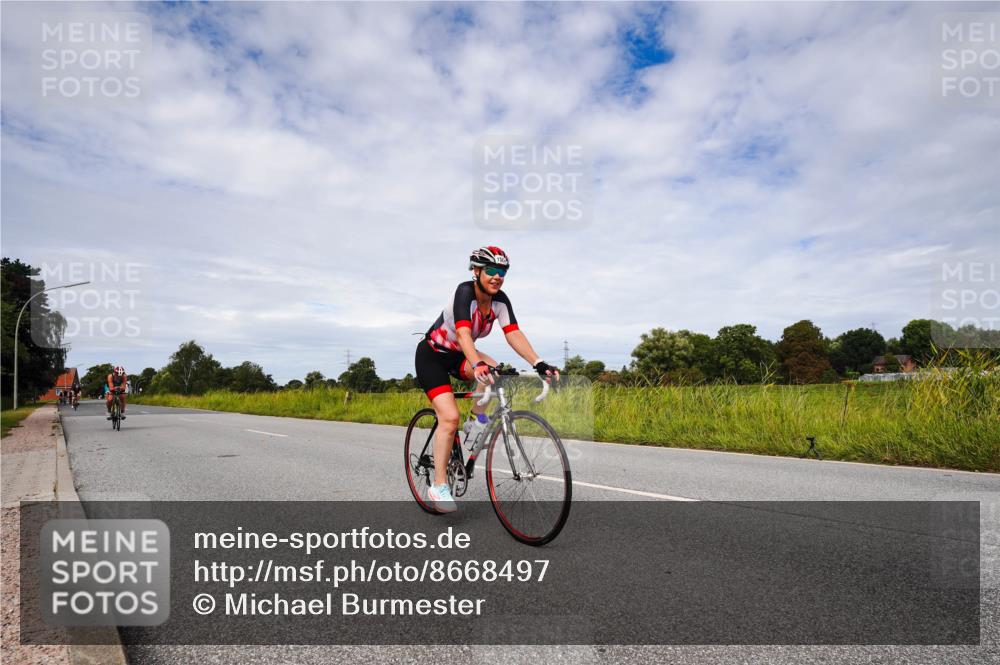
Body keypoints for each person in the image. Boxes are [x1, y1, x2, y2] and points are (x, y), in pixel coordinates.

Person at [415, 246, 559, 513]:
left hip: (460, 355)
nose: (497, 277)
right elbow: (463, 335)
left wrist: (538, 363)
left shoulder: (500, 300)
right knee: (448, 417)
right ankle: (438, 485)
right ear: (476, 271)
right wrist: (476, 363)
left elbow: (513, 333)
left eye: (502, 272)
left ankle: (475, 420)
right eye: (491, 271)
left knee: (496, 369)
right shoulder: (465, 292)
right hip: (433, 355)